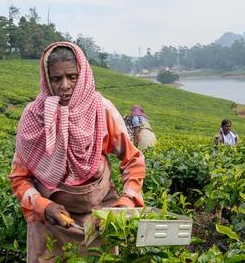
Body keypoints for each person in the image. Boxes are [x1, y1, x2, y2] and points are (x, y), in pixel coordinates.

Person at [9, 42, 146, 262]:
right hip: (50, 224)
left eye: (71, 77)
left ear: (82, 74)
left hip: (99, 219)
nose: (64, 85)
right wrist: (44, 207)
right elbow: (19, 178)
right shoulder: (33, 117)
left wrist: (126, 203)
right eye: (56, 79)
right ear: (47, 80)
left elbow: (133, 160)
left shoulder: (101, 110)